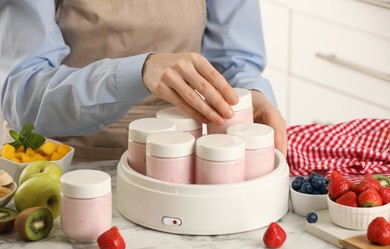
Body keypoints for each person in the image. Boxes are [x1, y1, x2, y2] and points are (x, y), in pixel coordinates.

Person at [0, 0, 287, 161]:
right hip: (65, 164)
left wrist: (250, 95)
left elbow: (235, 62)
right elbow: (23, 96)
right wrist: (139, 71)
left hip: (190, 162)